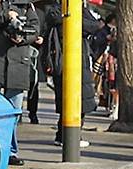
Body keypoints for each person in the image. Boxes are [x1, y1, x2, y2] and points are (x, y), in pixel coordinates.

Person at [0, 0, 40, 166]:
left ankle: (9, 151)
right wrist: (6, 17)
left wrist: (22, 38)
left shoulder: (25, 4)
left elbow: (35, 28)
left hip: (18, 64)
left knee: (12, 114)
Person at [45, 2, 100, 148]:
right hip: (65, 62)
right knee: (69, 100)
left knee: (80, 100)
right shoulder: (55, 10)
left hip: (80, 62)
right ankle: (69, 136)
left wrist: (74, 19)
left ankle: (64, 135)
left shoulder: (79, 9)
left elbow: (95, 25)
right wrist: (73, 20)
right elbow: (54, 19)